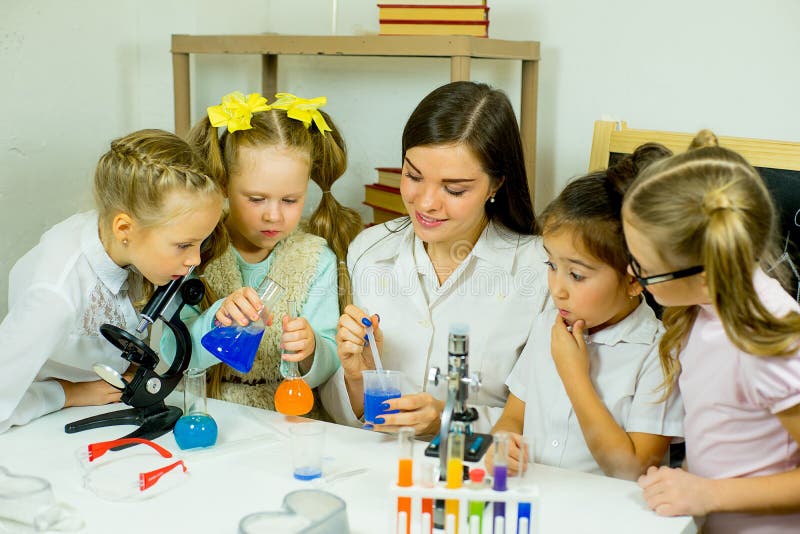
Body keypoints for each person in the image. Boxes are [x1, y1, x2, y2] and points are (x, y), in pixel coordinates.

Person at [322, 81, 550, 436]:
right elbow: (348, 418)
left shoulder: (540, 270)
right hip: (378, 466)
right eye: (413, 176)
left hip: (480, 474)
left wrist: (447, 419)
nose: (426, 203)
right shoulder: (370, 250)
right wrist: (356, 377)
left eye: (454, 189)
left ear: (495, 185)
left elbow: (550, 419)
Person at [624, 130, 800, 533]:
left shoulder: (769, 341)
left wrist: (708, 493)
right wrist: (685, 486)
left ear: (705, 274)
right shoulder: (703, 311)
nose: (633, 273)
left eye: (645, 268)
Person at [0, 129, 223, 434]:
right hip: (42, 427)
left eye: (201, 243)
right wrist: (66, 393)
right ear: (124, 228)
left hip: (106, 402)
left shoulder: (127, 239)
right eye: (184, 245)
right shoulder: (55, 294)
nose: (195, 260)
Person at [484, 144, 684, 480]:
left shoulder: (660, 352)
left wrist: (574, 374)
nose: (557, 288)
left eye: (576, 275)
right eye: (551, 264)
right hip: (537, 500)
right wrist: (503, 441)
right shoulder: (549, 321)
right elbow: (514, 415)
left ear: (635, 280)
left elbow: (631, 468)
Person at [162, 91, 360, 419]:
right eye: (256, 199)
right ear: (223, 184)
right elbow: (172, 355)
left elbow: (330, 359)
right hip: (207, 411)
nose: (274, 216)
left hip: (286, 418)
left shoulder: (314, 259)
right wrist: (216, 319)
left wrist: (312, 349)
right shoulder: (196, 252)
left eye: (290, 200)